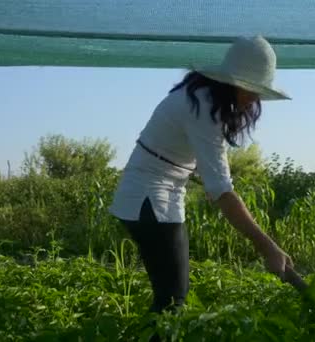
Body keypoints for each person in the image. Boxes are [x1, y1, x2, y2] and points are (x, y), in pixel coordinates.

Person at [108, 35, 294, 315]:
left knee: (171, 298)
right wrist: (267, 247)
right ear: (233, 82)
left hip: (162, 191)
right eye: (252, 89)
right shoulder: (204, 109)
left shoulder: (200, 99)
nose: (255, 98)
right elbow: (221, 188)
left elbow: (198, 170)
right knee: (172, 301)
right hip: (148, 196)